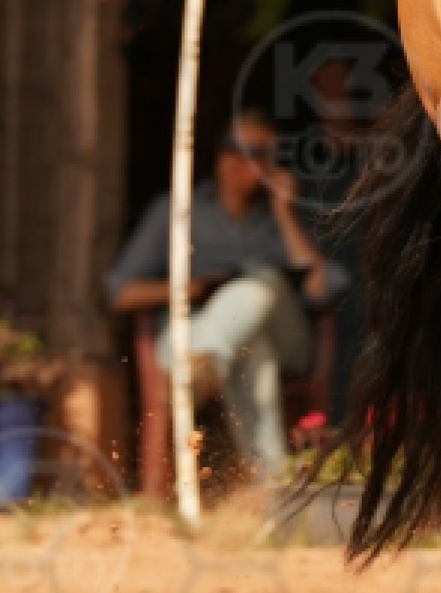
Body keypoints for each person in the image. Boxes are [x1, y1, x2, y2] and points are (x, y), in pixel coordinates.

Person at [107, 110, 330, 480]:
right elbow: (121, 293)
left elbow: (321, 287)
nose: (240, 159)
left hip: (286, 339)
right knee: (253, 347)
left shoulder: (281, 217)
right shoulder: (175, 210)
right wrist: (192, 288)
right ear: (216, 153)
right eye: (232, 147)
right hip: (188, 337)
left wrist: (283, 210)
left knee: (261, 283)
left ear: (271, 166)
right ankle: (272, 483)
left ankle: (206, 362)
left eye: (255, 152)